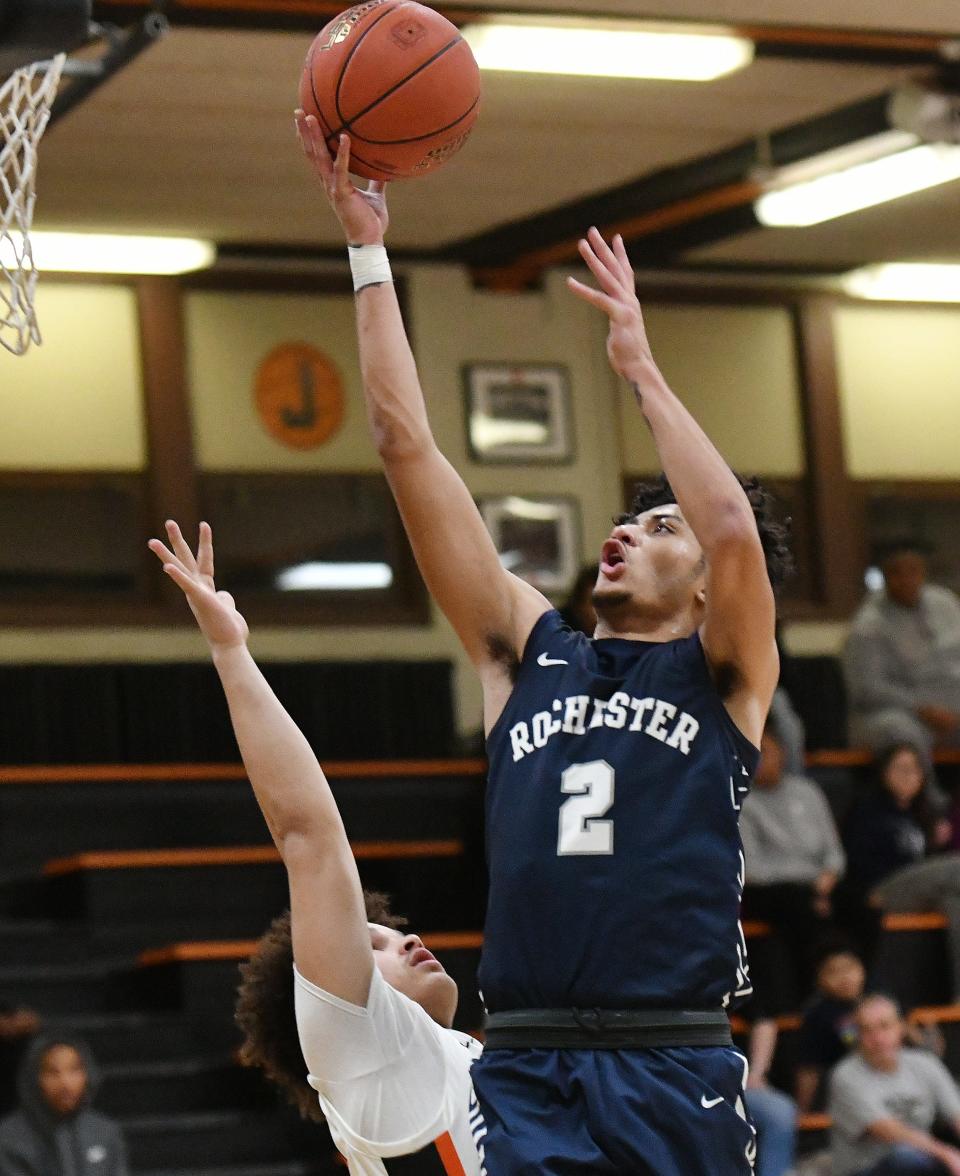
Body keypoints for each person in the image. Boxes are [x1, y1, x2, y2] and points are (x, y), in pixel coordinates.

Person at [296, 114, 791, 1174]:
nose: (624, 530)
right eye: (629, 519)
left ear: (707, 591)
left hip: (671, 1065)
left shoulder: (724, 676)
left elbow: (735, 530)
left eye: (661, 527)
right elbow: (402, 441)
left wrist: (640, 368)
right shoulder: (526, 654)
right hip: (527, 1067)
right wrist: (367, 250)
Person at [148, 522, 486, 1174]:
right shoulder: (367, 1053)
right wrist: (230, 651)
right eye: (373, 945)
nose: (405, 940)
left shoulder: (449, 1059)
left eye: (389, 934)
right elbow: (308, 837)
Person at [740, 718, 846, 1008]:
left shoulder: (807, 791)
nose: (762, 758)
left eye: (768, 750)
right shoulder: (742, 800)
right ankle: (822, 986)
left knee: (865, 900)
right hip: (769, 890)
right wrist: (812, 882)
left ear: (783, 753)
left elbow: (834, 850)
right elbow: (750, 869)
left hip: (817, 882)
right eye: (755, 750)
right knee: (799, 904)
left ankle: (859, 977)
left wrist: (827, 877)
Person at [843, 743, 960, 996]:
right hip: (881, 889)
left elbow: (925, 864)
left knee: (956, 903)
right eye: (901, 769)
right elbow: (856, 861)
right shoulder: (868, 811)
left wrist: (936, 842)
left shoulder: (922, 815)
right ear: (884, 772)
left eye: (915, 769)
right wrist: (866, 893)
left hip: (918, 891)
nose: (909, 776)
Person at [844, 541, 960, 764]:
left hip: (951, 706)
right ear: (885, 577)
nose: (907, 580)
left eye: (914, 571)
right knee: (902, 732)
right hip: (897, 713)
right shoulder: (868, 625)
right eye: (897, 573)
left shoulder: (945, 604)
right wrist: (922, 709)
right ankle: (926, 797)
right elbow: (869, 690)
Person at [829, 994, 960, 1176]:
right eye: (867, 1030)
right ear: (858, 1035)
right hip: (866, 1169)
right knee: (906, 1157)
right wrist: (947, 1154)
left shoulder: (925, 1063)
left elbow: (956, 1114)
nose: (877, 1038)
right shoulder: (845, 1075)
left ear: (901, 1027)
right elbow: (887, 1131)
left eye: (885, 1026)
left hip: (924, 1159)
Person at [0, 1034, 128, 1175]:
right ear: (34, 1079)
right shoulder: (8, 1137)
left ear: (88, 1075)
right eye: (52, 1072)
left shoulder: (105, 1131)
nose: (65, 1083)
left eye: (74, 1070)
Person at [795, 945, 866, 1113]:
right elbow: (809, 1068)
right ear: (819, 978)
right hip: (841, 1093)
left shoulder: (878, 1002)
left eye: (850, 968)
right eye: (833, 971)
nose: (845, 978)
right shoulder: (819, 1014)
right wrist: (803, 1111)